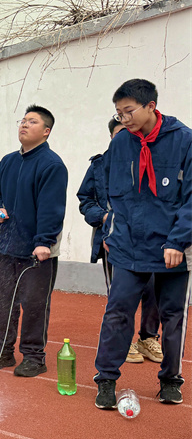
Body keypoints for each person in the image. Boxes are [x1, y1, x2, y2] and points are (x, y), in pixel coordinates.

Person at [94, 79, 191, 408]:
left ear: (151, 106)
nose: (124, 119)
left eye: (129, 111)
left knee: (172, 316)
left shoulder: (185, 141)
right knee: (117, 313)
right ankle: (106, 379)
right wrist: (112, 231)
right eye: (119, 114)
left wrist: (177, 240)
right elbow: (111, 191)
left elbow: (191, 199)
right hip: (129, 246)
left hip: (172, 249)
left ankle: (170, 380)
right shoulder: (121, 143)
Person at [0, 105, 68, 377]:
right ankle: (3, 351)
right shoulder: (8, 161)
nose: (24, 125)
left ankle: (34, 356)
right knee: (1, 300)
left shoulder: (52, 165)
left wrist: (43, 242)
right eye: (22, 120)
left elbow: (52, 209)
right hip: (6, 245)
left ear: (46, 131)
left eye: (32, 122)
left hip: (36, 250)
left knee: (34, 304)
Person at [77, 119, 161, 364]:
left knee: (153, 291)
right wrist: (105, 219)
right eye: (119, 133)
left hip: (149, 241)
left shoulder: (150, 159)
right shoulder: (99, 165)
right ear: (112, 138)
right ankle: (124, 342)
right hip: (113, 241)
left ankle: (148, 338)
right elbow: (85, 200)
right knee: (120, 295)